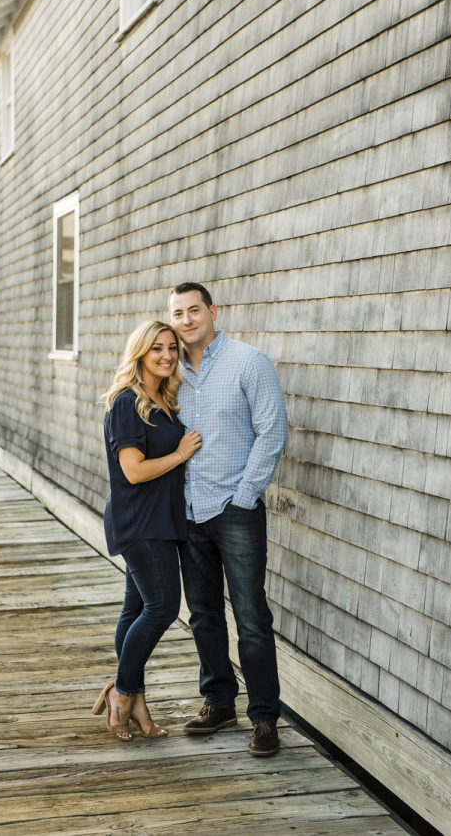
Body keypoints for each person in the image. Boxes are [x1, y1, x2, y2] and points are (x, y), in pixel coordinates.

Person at [169, 282, 288, 756]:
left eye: (194, 310)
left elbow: (272, 430)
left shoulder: (248, 361)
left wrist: (245, 496)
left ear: (213, 312)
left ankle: (264, 718)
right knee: (201, 614)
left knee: (251, 616)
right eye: (178, 313)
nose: (186, 320)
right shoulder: (169, 370)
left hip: (235, 510)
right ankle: (219, 701)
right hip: (188, 511)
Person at [92, 320, 201, 741]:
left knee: (134, 610)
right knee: (163, 608)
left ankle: (136, 699)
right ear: (139, 353)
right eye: (157, 348)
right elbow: (133, 471)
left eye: (172, 348)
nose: (167, 355)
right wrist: (180, 453)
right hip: (139, 520)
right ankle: (122, 690)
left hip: (160, 519)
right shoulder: (126, 402)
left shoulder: (163, 397)